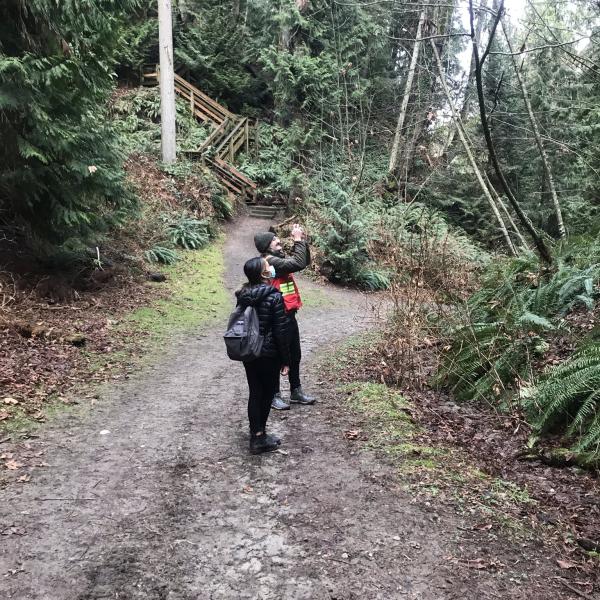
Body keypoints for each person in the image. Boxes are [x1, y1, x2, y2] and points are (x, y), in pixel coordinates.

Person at [253, 224, 316, 411]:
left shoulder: (277, 260)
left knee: (295, 354)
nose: (278, 241)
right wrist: (296, 240)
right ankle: (274, 395)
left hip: (288, 315)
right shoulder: (269, 261)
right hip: (275, 318)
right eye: (274, 240)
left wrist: (302, 241)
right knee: (276, 358)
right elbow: (297, 263)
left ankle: (296, 391)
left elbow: (302, 262)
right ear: (267, 246)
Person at [236, 257, 291, 454]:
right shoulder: (274, 296)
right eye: (268, 267)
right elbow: (280, 331)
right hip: (268, 354)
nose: (272, 268)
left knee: (255, 393)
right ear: (262, 274)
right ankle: (259, 439)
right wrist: (286, 359)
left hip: (249, 351)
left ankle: (256, 434)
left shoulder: (243, 294)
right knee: (267, 394)